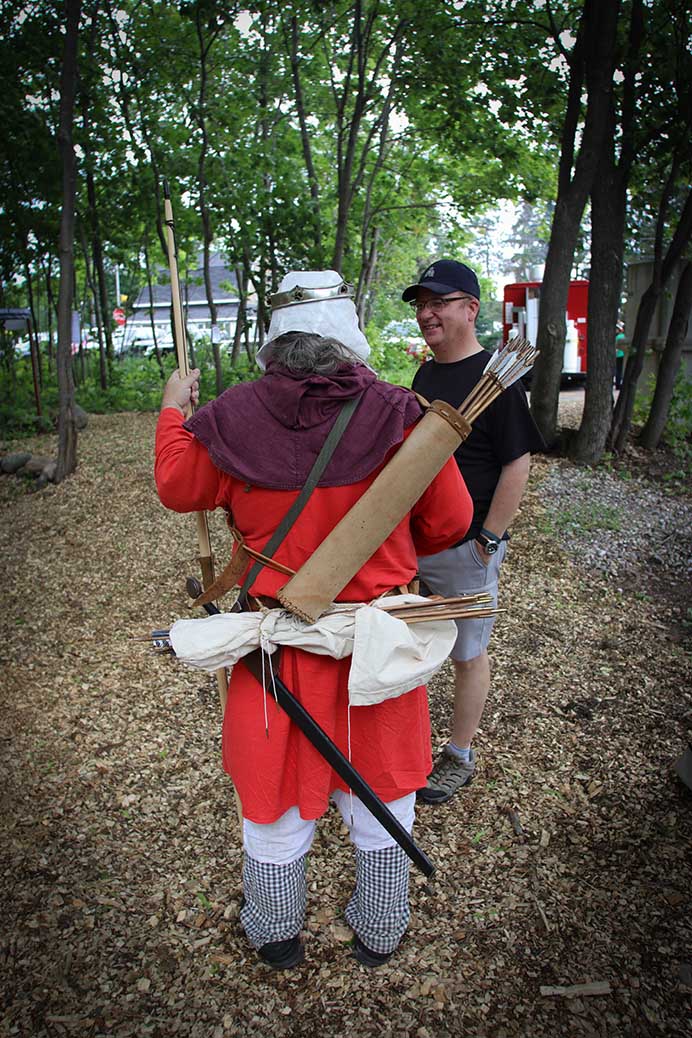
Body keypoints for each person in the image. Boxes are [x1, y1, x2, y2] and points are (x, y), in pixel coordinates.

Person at [155, 270, 473, 970]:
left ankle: (275, 937)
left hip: (276, 652)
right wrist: (381, 553)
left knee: (273, 807)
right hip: (375, 642)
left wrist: (175, 412)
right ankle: (381, 933)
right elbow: (451, 522)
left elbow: (178, 486)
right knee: (383, 801)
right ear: (347, 337)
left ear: (276, 342)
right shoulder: (400, 413)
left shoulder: (231, 416)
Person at [402, 259, 545, 805]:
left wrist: (489, 538)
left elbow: (517, 464)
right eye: (421, 304)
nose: (426, 313)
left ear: (470, 309)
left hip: (467, 547)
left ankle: (459, 756)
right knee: (410, 645)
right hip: (417, 541)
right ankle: (408, 747)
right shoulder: (426, 376)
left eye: (438, 302)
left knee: (466, 652)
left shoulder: (497, 379)